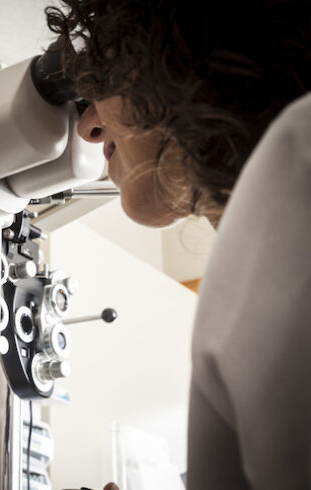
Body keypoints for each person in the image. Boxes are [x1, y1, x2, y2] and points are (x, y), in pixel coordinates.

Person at [45, 0, 310, 488]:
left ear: (182, 52)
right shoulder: (252, 255)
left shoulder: (301, 157)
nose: (88, 125)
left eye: (104, 77)